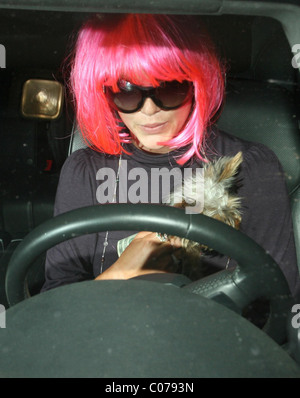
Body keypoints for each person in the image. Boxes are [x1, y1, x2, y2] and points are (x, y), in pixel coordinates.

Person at [42, 13, 300, 299]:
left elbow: (277, 299)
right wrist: (119, 275)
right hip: (109, 336)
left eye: (169, 85)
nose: (149, 110)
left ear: (198, 82)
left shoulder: (249, 166)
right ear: (102, 93)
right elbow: (59, 304)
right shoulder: (85, 171)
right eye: (125, 91)